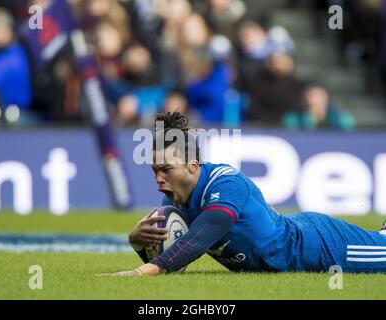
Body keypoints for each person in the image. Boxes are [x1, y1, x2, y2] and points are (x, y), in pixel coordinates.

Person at [98, 111, 386, 277]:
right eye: (153, 171)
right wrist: (136, 242)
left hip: (318, 247)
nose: (158, 178)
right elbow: (174, 259)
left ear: (192, 165)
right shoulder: (173, 201)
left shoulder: (226, 183)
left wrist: (141, 273)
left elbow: (199, 238)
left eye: (165, 169)